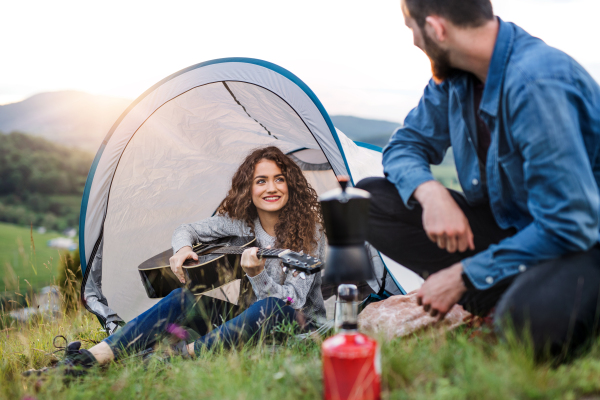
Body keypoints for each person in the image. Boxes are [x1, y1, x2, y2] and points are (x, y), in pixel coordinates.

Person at [357, 0, 600, 362]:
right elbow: (404, 146)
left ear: (437, 29)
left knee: (523, 327)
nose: (413, 41)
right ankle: (505, 291)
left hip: (578, 244)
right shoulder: (453, 78)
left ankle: (520, 298)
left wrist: (463, 275)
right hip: (512, 234)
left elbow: (569, 223)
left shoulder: (537, 82)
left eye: (412, 28)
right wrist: (432, 193)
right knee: (367, 202)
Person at [54, 146, 326, 373]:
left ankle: (174, 357)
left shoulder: (309, 232)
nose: (272, 188)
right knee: (184, 297)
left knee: (267, 307)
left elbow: (293, 302)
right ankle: (88, 359)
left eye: (279, 179)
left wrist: (257, 274)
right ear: (249, 189)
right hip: (247, 315)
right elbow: (186, 229)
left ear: (290, 184)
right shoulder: (242, 225)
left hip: (294, 324)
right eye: (261, 180)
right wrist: (182, 248)